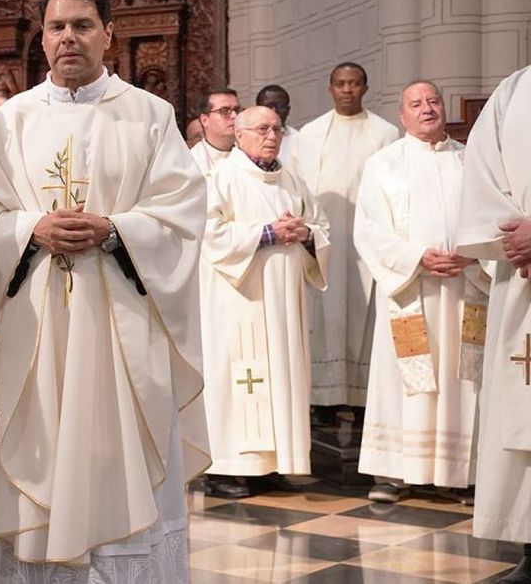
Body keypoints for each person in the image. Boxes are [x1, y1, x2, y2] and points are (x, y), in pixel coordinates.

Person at [0, 0, 208, 581]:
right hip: (39, 324)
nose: (68, 38)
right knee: (44, 443)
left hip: (121, 323)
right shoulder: (12, 122)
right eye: (56, 27)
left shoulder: (149, 115)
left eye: (82, 26)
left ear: (109, 33)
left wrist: (115, 227)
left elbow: (182, 213)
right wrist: (31, 227)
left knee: (123, 446)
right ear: (42, 39)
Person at [354, 80, 483, 504]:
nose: (426, 108)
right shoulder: (384, 164)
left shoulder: (471, 161)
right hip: (411, 290)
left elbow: (491, 217)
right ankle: (394, 472)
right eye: (416, 103)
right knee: (409, 380)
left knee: (460, 378)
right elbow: (369, 230)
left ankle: (459, 472)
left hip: (465, 286)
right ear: (402, 115)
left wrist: (474, 256)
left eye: (433, 101)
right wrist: (416, 258)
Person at [200, 106, 329, 499]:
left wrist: (306, 233)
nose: (272, 136)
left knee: (282, 374)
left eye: (276, 129)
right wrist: (267, 233)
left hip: (285, 302)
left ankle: (274, 462)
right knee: (240, 375)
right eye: (261, 129)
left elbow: (320, 226)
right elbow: (208, 233)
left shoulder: (291, 180)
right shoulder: (220, 179)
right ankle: (225, 466)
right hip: (239, 300)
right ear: (239, 135)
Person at [454, 64, 531, 584]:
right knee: (521, 418)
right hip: (523, 280)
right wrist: (513, 236)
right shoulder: (516, 89)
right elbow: (482, 178)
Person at [292, 62, 401, 407]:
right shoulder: (310, 133)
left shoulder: (385, 133)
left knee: (364, 305)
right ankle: (323, 396)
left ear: (365, 88)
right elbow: (298, 188)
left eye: (354, 84)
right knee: (324, 308)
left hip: (368, 237)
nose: (347, 90)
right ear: (330, 88)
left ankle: (362, 394)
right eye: (340, 84)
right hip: (325, 239)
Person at [190, 88, 240, 175]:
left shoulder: (250, 152)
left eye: (237, 110)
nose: (234, 116)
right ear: (205, 120)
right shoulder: (191, 161)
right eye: (224, 111)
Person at [256, 84, 295, 163]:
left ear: (288, 110)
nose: (273, 111)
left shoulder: (299, 140)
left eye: (279, 106)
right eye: (268, 106)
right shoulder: (247, 138)